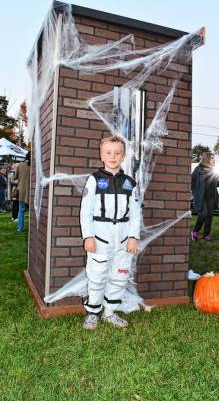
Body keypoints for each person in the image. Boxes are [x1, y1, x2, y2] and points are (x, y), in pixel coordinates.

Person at [80, 136, 141, 330]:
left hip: (123, 238)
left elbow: (136, 213)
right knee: (97, 275)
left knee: (119, 275)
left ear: (123, 156)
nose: (113, 156)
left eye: (117, 153)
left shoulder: (129, 183)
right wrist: (88, 236)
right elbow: (86, 211)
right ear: (101, 155)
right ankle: (93, 312)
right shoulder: (94, 180)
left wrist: (133, 237)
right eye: (108, 152)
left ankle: (110, 312)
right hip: (100, 237)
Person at [191, 152, 219, 242]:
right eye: (212, 158)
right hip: (201, 196)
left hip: (211, 196)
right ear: (206, 158)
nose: (214, 160)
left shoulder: (213, 170)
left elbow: (216, 184)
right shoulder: (198, 169)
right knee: (203, 214)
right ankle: (195, 231)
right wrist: (195, 194)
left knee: (209, 215)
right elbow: (192, 182)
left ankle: (206, 234)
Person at [15, 152, 30, 232]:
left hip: (22, 190)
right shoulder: (33, 166)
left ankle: (20, 228)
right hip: (31, 190)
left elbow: (15, 177)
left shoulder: (20, 165)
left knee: (21, 209)